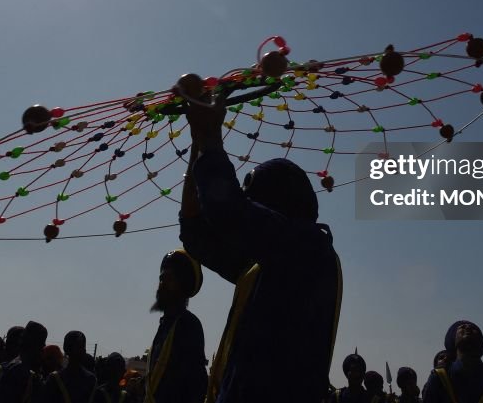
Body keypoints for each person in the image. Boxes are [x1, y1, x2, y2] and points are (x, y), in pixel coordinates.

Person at [178, 86, 343, 403]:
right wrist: (199, 141)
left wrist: (210, 135)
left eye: (256, 204)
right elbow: (194, 232)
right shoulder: (266, 266)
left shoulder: (308, 249)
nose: (252, 215)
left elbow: (227, 211)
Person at [146, 250, 208, 403]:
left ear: (183, 285)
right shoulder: (165, 324)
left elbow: (195, 386)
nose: (162, 284)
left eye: (169, 278)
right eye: (161, 278)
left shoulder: (188, 325)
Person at [421, 321, 483, 403]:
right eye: (462, 327)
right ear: (454, 341)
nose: (467, 328)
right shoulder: (439, 377)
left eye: (474, 329)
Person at [40, 331, 96, 403]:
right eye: (78, 347)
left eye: (82, 347)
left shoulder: (55, 378)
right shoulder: (91, 379)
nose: (82, 350)